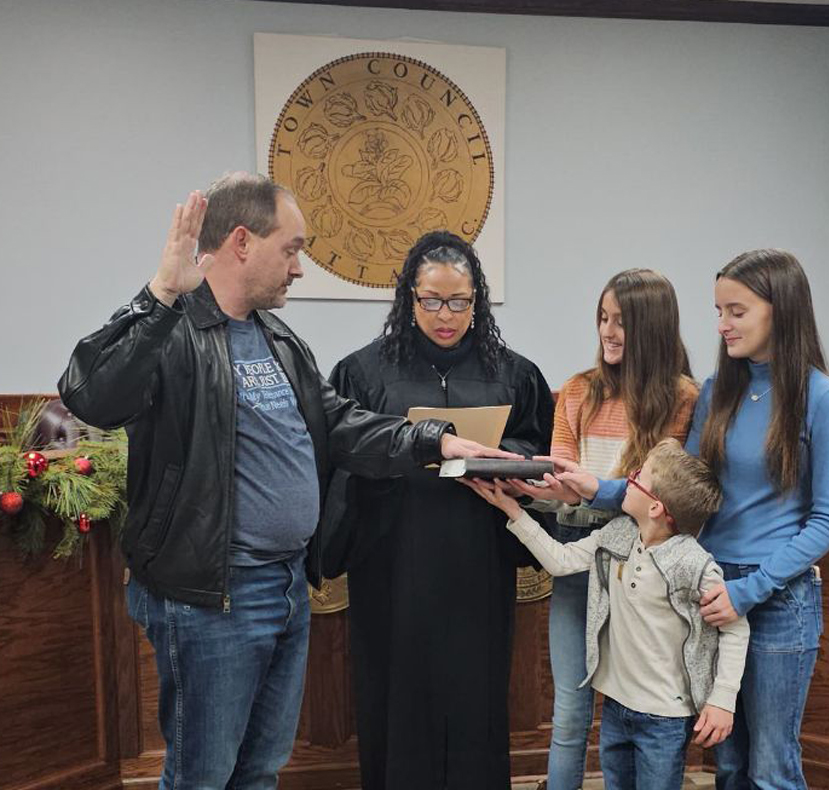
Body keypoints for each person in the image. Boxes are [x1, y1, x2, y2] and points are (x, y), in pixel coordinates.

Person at [57, 175, 509, 790]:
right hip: (212, 598)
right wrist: (159, 293)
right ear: (242, 242)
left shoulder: (278, 338)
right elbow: (90, 395)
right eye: (292, 249)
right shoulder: (174, 330)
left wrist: (433, 440)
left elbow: (341, 424)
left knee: (260, 771)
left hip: (285, 588)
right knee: (202, 776)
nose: (299, 268)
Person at [536, 250, 829, 790]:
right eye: (719, 311)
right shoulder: (718, 391)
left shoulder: (823, 397)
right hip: (710, 587)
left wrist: (750, 589)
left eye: (736, 311)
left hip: (776, 599)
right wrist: (598, 487)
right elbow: (675, 488)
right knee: (726, 763)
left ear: (781, 310)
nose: (722, 325)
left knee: (772, 766)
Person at [325, 230, 555, 790]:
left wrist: (507, 459)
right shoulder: (363, 372)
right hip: (393, 561)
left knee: (475, 693)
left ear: (477, 300)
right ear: (408, 298)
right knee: (396, 696)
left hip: (477, 561)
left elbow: (535, 447)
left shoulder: (514, 373)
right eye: (431, 300)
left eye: (460, 301)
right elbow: (342, 457)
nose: (445, 315)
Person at [462, 438, 749, 790]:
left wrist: (722, 701)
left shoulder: (695, 565)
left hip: (666, 720)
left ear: (656, 507)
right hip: (615, 707)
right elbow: (561, 560)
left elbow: (735, 629)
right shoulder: (617, 534)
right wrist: (514, 511)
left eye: (639, 476)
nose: (628, 478)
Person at [519, 269, 698, 790]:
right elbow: (565, 481)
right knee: (571, 712)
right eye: (602, 318)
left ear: (653, 327)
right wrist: (526, 483)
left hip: (646, 567)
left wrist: (591, 487)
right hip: (579, 555)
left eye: (622, 321)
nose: (608, 331)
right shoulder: (577, 391)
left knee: (648, 702)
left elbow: (662, 489)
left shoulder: (684, 398)